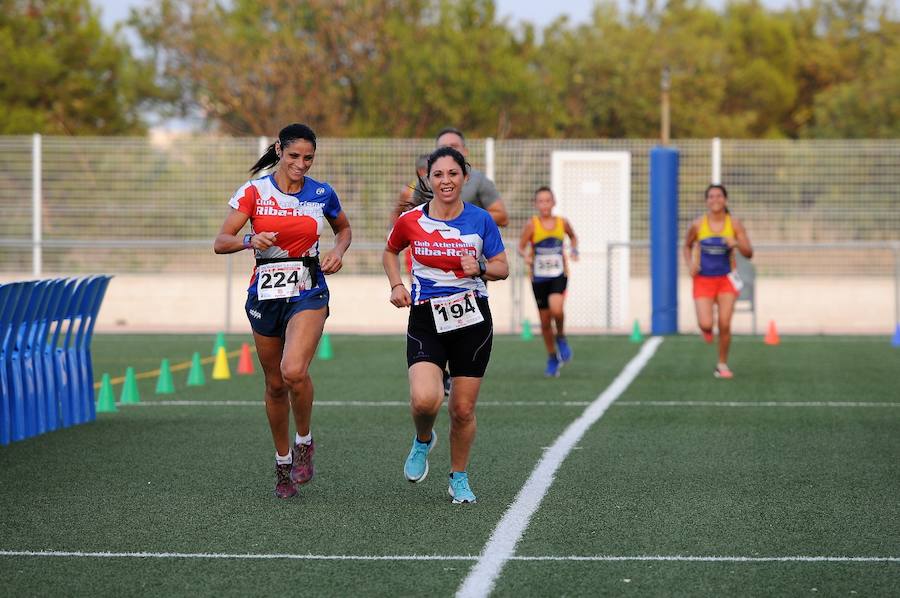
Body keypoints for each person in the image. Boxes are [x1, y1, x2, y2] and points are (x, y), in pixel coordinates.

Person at [214, 123, 352, 498]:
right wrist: (248, 240)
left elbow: (343, 230)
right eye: (294, 156)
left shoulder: (322, 193)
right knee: (275, 384)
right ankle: (282, 461)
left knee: (294, 371)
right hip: (265, 293)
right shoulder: (254, 191)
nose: (301, 164)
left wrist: (338, 252)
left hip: (308, 289)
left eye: (308, 158)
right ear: (279, 150)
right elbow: (220, 241)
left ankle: (304, 441)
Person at [383, 146, 508, 504]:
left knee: (462, 410)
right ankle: (423, 439)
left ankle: (459, 477)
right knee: (425, 401)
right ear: (429, 179)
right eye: (438, 175)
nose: (446, 181)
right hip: (426, 317)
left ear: (465, 177)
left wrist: (481, 268)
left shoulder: (481, 220)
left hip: (472, 318)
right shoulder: (411, 221)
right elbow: (390, 251)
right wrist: (396, 284)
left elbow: (502, 267)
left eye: (453, 174)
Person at [683, 184, 753, 379]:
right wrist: (690, 264)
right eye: (711, 196)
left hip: (726, 280)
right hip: (703, 280)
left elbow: (749, 253)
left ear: (725, 200)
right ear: (707, 201)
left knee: (724, 323)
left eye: (719, 196)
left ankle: (722, 364)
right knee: (706, 323)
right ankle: (706, 330)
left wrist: (736, 243)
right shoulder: (698, 225)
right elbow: (687, 246)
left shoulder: (735, 224)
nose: (715, 200)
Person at [517, 186, 579, 377]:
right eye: (541, 201)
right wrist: (526, 256)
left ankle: (560, 336)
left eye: (548, 200)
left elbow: (573, 237)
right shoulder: (532, 225)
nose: (544, 204)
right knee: (544, 322)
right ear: (536, 204)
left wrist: (574, 250)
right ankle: (552, 357)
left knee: (557, 309)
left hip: (559, 274)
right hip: (539, 277)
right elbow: (521, 247)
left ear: (554, 202)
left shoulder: (562, 223)